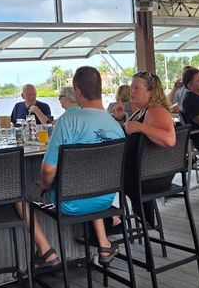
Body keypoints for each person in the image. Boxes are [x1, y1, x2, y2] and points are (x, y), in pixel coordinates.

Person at [17, 67, 125, 266]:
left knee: (17, 192)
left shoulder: (67, 122)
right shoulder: (116, 126)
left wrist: (43, 184)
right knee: (92, 179)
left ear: (77, 92)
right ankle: (103, 244)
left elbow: (49, 170)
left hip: (69, 203)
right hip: (106, 201)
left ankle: (46, 251)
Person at [120, 70, 176, 229]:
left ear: (151, 92)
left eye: (136, 88)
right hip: (144, 175)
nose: (131, 91)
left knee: (99, 180)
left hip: (150, 179)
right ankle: (143, 217)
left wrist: (140, 126)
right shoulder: (141, 111)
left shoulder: (156, 110)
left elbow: (170, 139)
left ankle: (109, 224)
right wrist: (122, 119)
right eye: (131, 87)